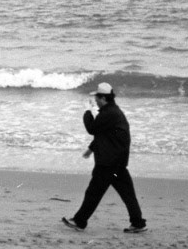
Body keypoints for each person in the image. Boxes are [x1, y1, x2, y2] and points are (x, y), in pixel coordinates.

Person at [62, 82, 148, 233]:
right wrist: (90, 149)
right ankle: (138, 223)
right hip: (118, 162)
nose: (95, 100)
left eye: (97, 98)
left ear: (103, 98)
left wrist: (87, 111)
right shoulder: (113, 112)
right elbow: (104, 134)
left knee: (93, 193)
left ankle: (79, 221)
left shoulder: (109, 113)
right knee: (127, 194)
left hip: (108, 163)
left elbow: (92, 129)